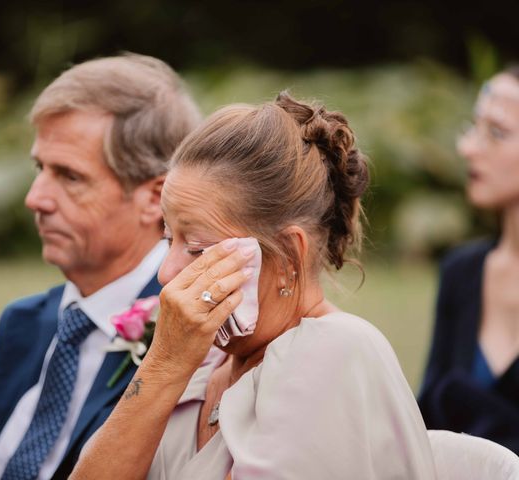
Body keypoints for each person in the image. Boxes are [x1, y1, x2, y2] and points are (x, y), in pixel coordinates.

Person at [70, 92, 437, 479]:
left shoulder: (334, 353)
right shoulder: (203, 365)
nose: (165, 274)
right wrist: (165, 367)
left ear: (288, 256)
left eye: (197, 248)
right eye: (167, 239)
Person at [0, 53, 201, 480]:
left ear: (155, 198)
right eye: (41, 168)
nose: (35, 198)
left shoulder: (191, 336)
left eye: (70, 177)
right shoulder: (23, 324)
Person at [418, 66, 519, 454]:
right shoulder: (461, 271)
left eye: (496, 132)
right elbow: (424, 429)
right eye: (474, 128)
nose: (468, 148)